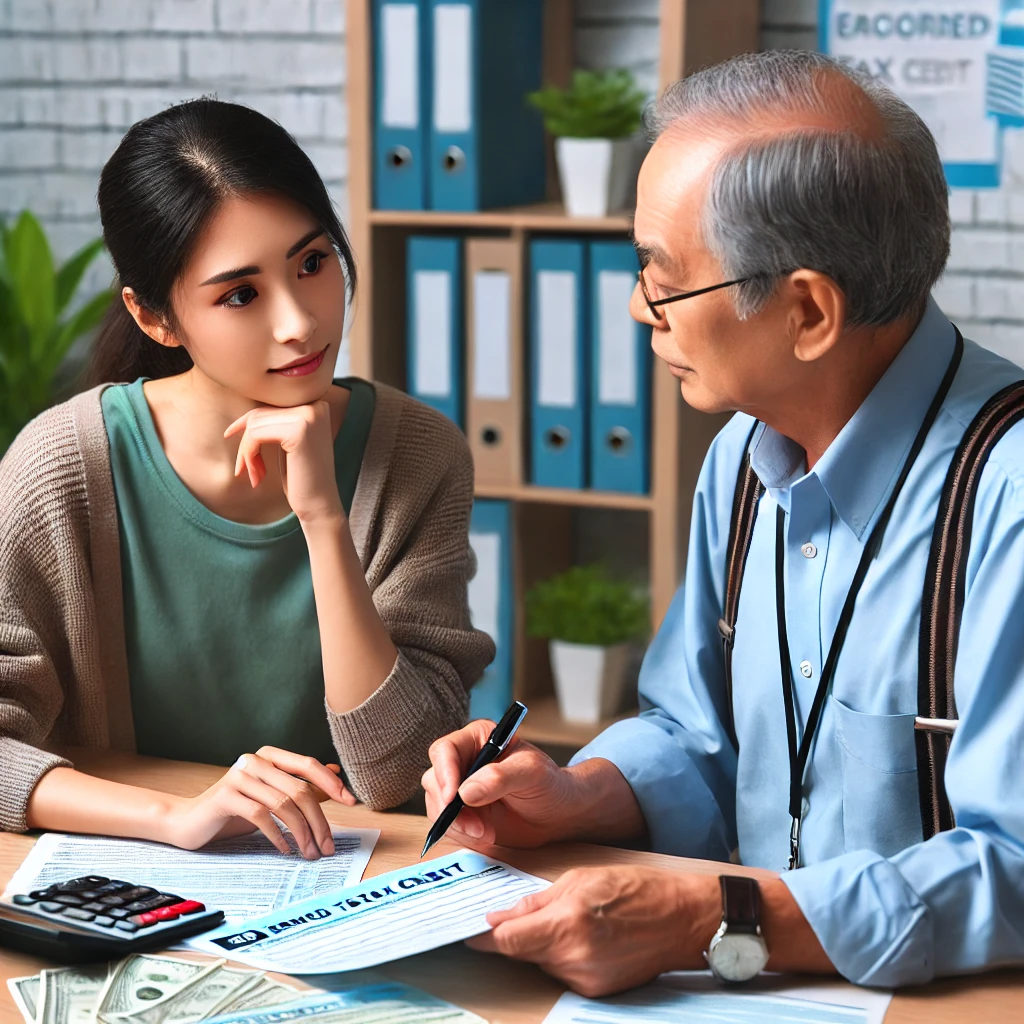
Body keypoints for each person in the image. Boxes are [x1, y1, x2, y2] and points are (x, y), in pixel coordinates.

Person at [422, 50, 1024, 995]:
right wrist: (580, 794)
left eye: (663, 279)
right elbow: (701, 735)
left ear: (809, 310)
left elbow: (1017, 867)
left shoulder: (1009, 498)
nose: (636, 309)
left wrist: (719, 916)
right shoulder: (745, 458)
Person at [0, 99, 494, 858]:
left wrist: (324, 519)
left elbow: (400, 771)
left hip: (343, 886)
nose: (299, 320)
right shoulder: (60, 470)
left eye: (312, 262)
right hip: (133, 879)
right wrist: (176, 816)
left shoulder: (417, 454)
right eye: (240, 294)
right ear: (155, 317)